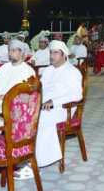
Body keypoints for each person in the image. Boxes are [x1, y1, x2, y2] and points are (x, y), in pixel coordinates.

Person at [15, 40, 82, 179]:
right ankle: (25, 155)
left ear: (64, 55)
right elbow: (40, 89)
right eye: (51, 52)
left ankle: (36, 165)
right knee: (20, 115)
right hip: (43, 106)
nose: (52, 56)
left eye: (56, 53)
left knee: (41, 120)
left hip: (63, 109)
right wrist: (29, 97)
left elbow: (77, 95)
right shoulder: (48, 70)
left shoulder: (73, 72)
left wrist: (54, 102)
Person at [0, 40, 36, 127]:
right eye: (9, 50)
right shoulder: (3, 68)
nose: (10, 53)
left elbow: (27, 93)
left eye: (13, 50)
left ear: (21, 53)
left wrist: (6, 97)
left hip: (13, 102)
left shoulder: (28, 70)